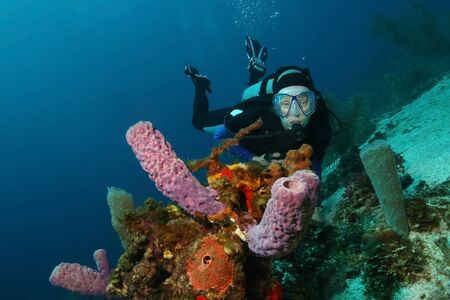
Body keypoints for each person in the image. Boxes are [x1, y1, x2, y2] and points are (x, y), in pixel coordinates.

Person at [185, 35, 339, 179]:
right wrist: (252, 158)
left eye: (304, 102)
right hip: (255, 109)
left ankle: (255, 70)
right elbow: (220, 137)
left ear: (314, 103)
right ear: (274, 104)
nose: (295, 112)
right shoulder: (259, 112)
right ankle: (199, 84)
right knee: (197, 121)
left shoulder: (321, 123)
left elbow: (317, 160)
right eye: (285, 103)